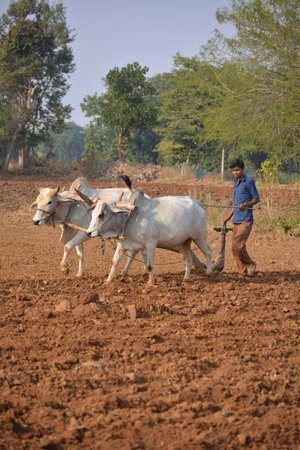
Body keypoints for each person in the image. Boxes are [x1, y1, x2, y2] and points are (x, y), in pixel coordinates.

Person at [223, 158, 260, 277]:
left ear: (243, 169)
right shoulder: (235, 183)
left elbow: (256, 199)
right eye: (233, 171)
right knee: (237, 248)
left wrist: (246, 204)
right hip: (236, 220)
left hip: (246, 219)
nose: (235, 172)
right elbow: (235, 203)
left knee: (236, 245)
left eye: (237, 170)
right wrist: (228, 217)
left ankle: (250, 264)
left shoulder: (248, 182)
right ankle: (243, 271)